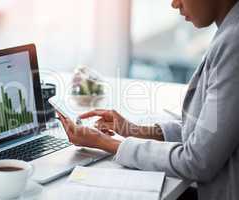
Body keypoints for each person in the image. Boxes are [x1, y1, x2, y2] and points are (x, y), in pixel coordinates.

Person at [58, 0, 239, 199]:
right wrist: (133, 130)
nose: (174, 4)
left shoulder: (234, 42)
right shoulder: (229, 31)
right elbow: (207, 133)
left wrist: (106, 143)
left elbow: (198, 160)